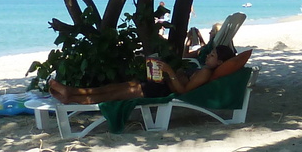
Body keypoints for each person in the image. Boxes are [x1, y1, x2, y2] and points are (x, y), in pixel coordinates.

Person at [48, 44, 251, 104]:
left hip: (160, 90)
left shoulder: (206, 74)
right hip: (159, 84)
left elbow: (183, 92)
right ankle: (71, 93)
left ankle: (71, 95)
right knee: (113, 88)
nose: (208, 56)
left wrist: (171, 72)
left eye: (213, 55)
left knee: (113, 94)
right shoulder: (203, 69)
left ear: (221, 63)